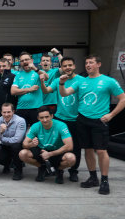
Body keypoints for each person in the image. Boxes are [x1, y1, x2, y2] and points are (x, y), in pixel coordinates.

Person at [60, 55, 125, 194]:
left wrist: (111, 115)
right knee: (88, 150)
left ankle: (105, 180)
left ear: (98, 64)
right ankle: (93, 178)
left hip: (99, 121)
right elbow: (65, 93)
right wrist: (61, 83)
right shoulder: (82, 82)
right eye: (86, 63)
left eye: (91, 62)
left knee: (101, 151)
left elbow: (123, 99)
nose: (88, 65)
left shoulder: (109, 81)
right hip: (82, 120)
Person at [41, 57, 83, 182]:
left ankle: (73, 171)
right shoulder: (58, 80)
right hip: (60, 118)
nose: (67, 68)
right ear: (61, 68)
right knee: (59, 145)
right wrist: (42, 82)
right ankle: (59, 170)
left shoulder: (82, 80)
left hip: (77, 119)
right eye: (64, 66)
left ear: (74, 66)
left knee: (76, 146)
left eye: (70, 65)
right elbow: (46, 90)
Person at [18, 106, 76, 184]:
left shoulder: (61, 125)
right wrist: (31, 144)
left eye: (47, 117)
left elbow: (69, 146)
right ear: (38, 118)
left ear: (52, 116)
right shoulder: (35, 126)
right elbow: (24, 144)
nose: (44, 120)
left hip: (57, 151)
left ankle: (59, 170)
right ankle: (42, 167)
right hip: (42, 152)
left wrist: (50, 154)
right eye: (41, 117)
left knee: (71, 158)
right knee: (23, 154)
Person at [0, 103, 26, 180]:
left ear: (13, 111)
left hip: (16, 146)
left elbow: (17, 140)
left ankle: (18, 170)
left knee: (15, 146)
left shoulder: (20, 121)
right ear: (1, 112)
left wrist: (1, 138)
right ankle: (6, 164)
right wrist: (1, 132)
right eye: (4, 112)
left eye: (9, 112)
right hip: (4, 146)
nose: (6, 114)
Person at [11, 52, 43, 127]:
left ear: (32, 60)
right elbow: (13, 91)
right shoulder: (18, 75)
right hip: (21, 108)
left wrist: (35, 68)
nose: (24, 62)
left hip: (36, 108)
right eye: (22, 61)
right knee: (20, 134)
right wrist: (30, 89)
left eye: (26, 59)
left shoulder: (37, 73)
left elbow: (46, 77)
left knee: (36, 134)